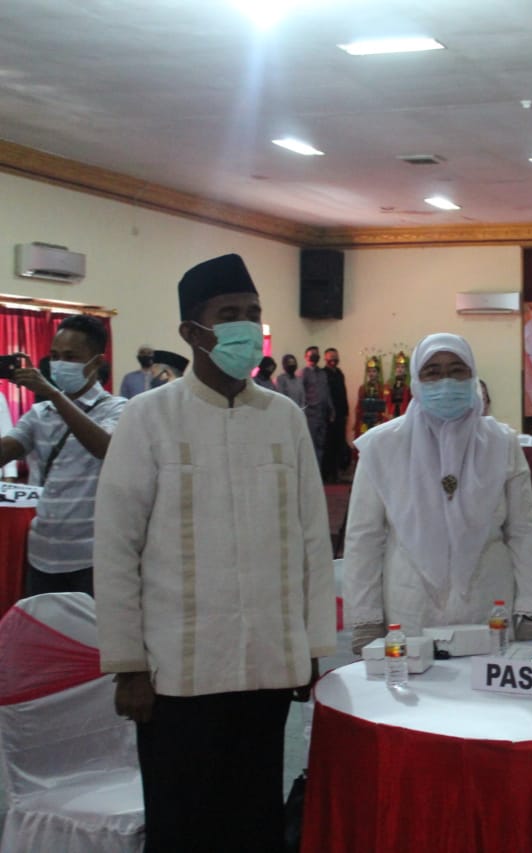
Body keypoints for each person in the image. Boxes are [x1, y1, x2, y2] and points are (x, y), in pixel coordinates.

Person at [95, 253, 335, 853]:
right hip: (178, 672)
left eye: (253, 313)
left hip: (267, 663)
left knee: (254, 819)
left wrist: (310, 648)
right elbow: (118, 547)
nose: (245, 326)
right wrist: (128, 665)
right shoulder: (148, 417)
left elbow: (311, 537)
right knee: (182, 826)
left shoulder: (282, 417)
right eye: (229, 314)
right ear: (191, 332)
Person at [345, 333, 532, 651]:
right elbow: (364, 539)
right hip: (409, 603)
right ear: (416, 380)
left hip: (489, 600)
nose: (446, 382)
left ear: (473, 375)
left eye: (457, 370)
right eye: (433, 372)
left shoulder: (501, 443)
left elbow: (524, 531)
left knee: (486, 680)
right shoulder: (381, 446)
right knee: (415, 680)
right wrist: (366, 618)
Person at [0, 315, 126, 596]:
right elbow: (6, 450)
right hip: (42, 553)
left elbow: (104, 447)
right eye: (55, 356)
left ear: (96, 362)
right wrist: (52, 398)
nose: (59, 364)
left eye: (70, 357)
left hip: (93, 557)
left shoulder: (118, 408)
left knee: (90, 626)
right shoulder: (40, 413)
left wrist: (54, 394)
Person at [321, 347, 350, 482]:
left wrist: (346, 412)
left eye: (335, 357)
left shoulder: (339, 373)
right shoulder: (323, 374)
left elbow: (343, 393)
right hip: (328, 416)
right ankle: (327, 473)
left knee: (339, 443)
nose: (333, 359)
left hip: (341, 414)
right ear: (325, 358)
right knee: (329, 444)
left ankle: (336, 473)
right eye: (331, 357)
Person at [301, 345, 332, 468]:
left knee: (320, 444)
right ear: (306, 357)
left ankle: (318, 471)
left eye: (317, 354)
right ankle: (310, 471)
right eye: (312, 354)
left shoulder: (322, 373)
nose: (315, 356)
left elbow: (326, 391)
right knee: (310, 444)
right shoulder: (303, 373)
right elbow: (301, 393)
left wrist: (332, 409)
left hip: (322, 413)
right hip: (310, 414)